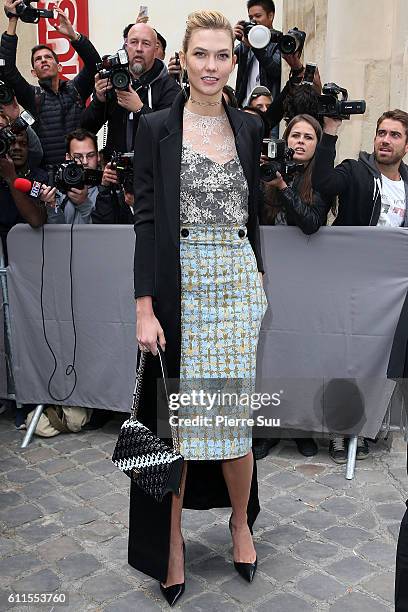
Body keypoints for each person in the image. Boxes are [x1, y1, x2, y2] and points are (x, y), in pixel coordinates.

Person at [130, 10, 267, 606]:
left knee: (232, 422)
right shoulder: (156, 127)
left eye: (222, 55)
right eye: (201, 54)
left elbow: (253, 211)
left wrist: (258, 275)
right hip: (180, 284)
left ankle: (240, 522)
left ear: (233, 63)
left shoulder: (250, 127)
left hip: (236, 282)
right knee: (180, 424)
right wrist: (144, 307)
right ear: (183, 59)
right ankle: (174, 540)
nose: (211, 65)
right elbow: (145, 220)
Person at [312, 108, 408, 462]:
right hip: (351, 284)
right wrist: (330, 134)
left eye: (394, 135)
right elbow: (323, 184)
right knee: (346, 356)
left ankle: (366, 426)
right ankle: (341, 430)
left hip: (393, 291)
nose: (385, 140)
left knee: (378, 359)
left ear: (406, 144)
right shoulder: (356, 171)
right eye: (382, 133)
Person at [254, 114, 332, 460]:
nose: (300, 142)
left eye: (308, 137)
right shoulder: (264, 173)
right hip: (270, 275)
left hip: (308, 279)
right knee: (269, 355)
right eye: (294, 136)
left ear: (317, 146)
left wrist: (284, 187)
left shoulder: (322, 179)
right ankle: (267, 427)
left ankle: (302, 427)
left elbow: (312, 221)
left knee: (302, 353)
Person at [1, 0, 101, 166]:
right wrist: (12, 20)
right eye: (38, 60)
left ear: (59, 66)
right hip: (49, 179)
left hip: (81, 170)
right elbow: (7, 70)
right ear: (34, 72)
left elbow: (94, 66)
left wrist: (73, 36)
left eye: (48, 57)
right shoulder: (32, 96)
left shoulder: (75, 89)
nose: (43, 61)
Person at [81, 23, 180, 155]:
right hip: (116, 172)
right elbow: (84, 131)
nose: (139, 49)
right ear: (126, 46)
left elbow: (170, 134)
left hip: (153, 172)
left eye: (146, 44)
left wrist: (140, 109)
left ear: (155, 49)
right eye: (134, 42)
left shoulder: (169, 87)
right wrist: (99, 101)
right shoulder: (113, 80)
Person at [0, 112, 47, 263]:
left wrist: (11, 178)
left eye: (23, 143)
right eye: (12, 143)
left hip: (30, 259)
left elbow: (36, 220)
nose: (17, 148)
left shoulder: (39, 177)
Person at [41, 129, 102, 225]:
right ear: (68, 157)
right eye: (78, 157)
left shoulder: (106, 189)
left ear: (98, 156)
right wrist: (52, 205)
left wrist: (84, 203)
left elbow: (105, 232)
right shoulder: (59, 188)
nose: (85, 162)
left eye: (90, 155)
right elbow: (56, 234)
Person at [234, 0, 281, 108]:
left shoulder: (278, 41)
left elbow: (275, 70)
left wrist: (255, 46)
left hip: (268, 110)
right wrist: (230, 37)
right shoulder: (246, 42)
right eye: (251, 18)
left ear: (271, 16)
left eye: (258, 16)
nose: (254, 21)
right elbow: (225, 59)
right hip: (245, 108)